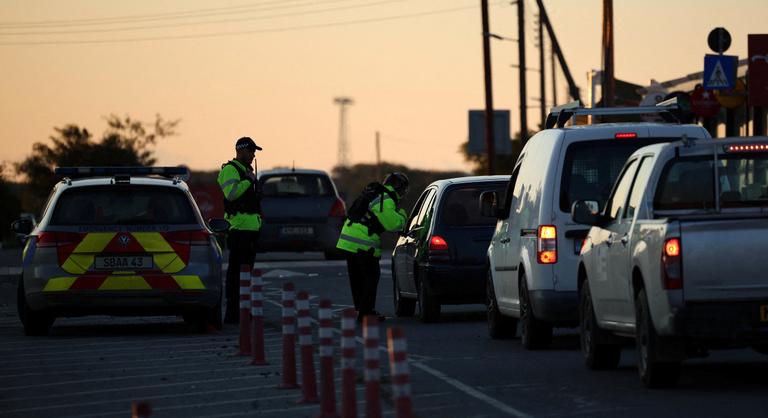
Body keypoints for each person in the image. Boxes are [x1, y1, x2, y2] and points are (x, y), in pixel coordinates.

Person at [336, 172, 409, 321]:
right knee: (371, 276)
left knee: (357, 277)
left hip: (348, 239)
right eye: (403, 190)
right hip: (362, 242)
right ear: (399, 188)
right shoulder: (386, 198)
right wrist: (402, 214)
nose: (403, 194)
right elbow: (393, 224)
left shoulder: (375, 193)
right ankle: (366, 313)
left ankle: (362, 311)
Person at [217, 137, 263, 324]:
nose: (253, 155)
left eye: (254, 152)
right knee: (236, 274)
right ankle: (233, 313)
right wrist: (248, 180)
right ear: (240, 150)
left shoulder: (246, 171)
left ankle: (242, 311)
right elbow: (232, 194)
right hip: (239, 231)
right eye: (250, 151)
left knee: (246, 275)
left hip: (250, 230)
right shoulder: (231, 170)